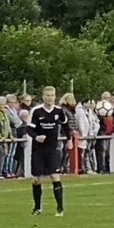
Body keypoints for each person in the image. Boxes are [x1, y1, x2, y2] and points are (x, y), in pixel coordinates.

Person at [27, 86, 69, 217]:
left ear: (55, 97)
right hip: (38, 150)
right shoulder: (36, 111)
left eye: (52, 95)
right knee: (36, 179)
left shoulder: (59, 111)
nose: (50, 98)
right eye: (47, 95)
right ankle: (37, 208)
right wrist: (36, 137)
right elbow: (29, 129)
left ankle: (60, 208)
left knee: (55, 176)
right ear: (43, 97)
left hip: (52, 149)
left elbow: (65, 125)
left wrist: (69, 139)